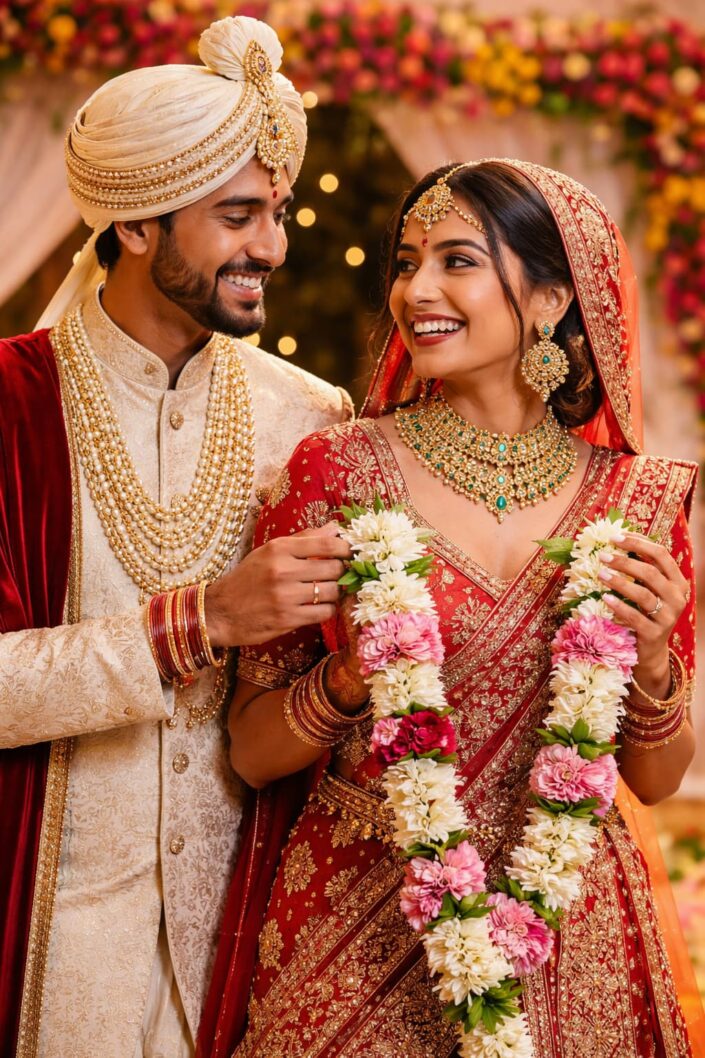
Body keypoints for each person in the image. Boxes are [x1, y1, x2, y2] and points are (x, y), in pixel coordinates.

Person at [199, 160, 700, 1058]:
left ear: (551, 298)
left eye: (456, 261)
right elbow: (249, 748)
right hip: (362, 912)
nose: (415, 290)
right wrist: (351, 680)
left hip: (572, 924)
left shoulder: (637, 501)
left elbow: (656, 781)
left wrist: (656, 663)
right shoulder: (336, 473)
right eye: (405, 261)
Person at [0, 16, 354, 1058]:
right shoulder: (13, 402)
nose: (274, 247)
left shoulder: (310, 417)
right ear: (138, 223)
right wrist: (199, 619)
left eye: (277, 212)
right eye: (239, 214)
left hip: (245, 957)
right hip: (49, 955)